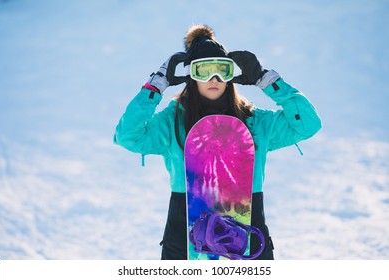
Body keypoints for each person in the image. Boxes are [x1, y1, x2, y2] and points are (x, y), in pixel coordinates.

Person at [114, 24, 322, 260]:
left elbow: (308, 124)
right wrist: (155, 86)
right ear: (191, 75)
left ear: (231, 74)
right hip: (184, 237)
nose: (214, 78)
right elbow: (127, 136)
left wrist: (267, 79)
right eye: (204, 71)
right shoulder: (172, 123)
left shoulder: (254, 121)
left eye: (221, 70)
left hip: (248, 235)